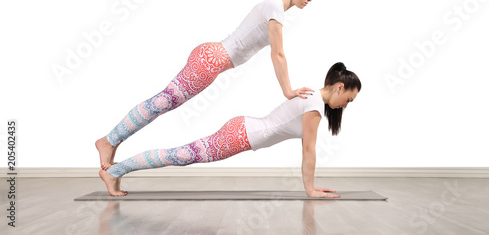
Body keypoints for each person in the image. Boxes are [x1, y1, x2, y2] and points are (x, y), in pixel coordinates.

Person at [96, 0, 318, 170]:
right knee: (161, 103)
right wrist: (288, 91)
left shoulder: (274, 8)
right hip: (210, 61)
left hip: (209, 59)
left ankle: (111, 144)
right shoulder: (275, 7)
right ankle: (108, 141)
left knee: (162, 103)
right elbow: (278, 54)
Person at [99, 62, 362, 198]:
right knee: (179, 156)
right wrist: (311, 190)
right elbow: (309, 151)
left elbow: (307, 149)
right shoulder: (315, 104)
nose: (346, 106)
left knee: (180, 155)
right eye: (349, 100)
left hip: (242, 131)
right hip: (240, 135)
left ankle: (116, 170)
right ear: (340, 87)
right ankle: (115, 171)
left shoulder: (313, 97)